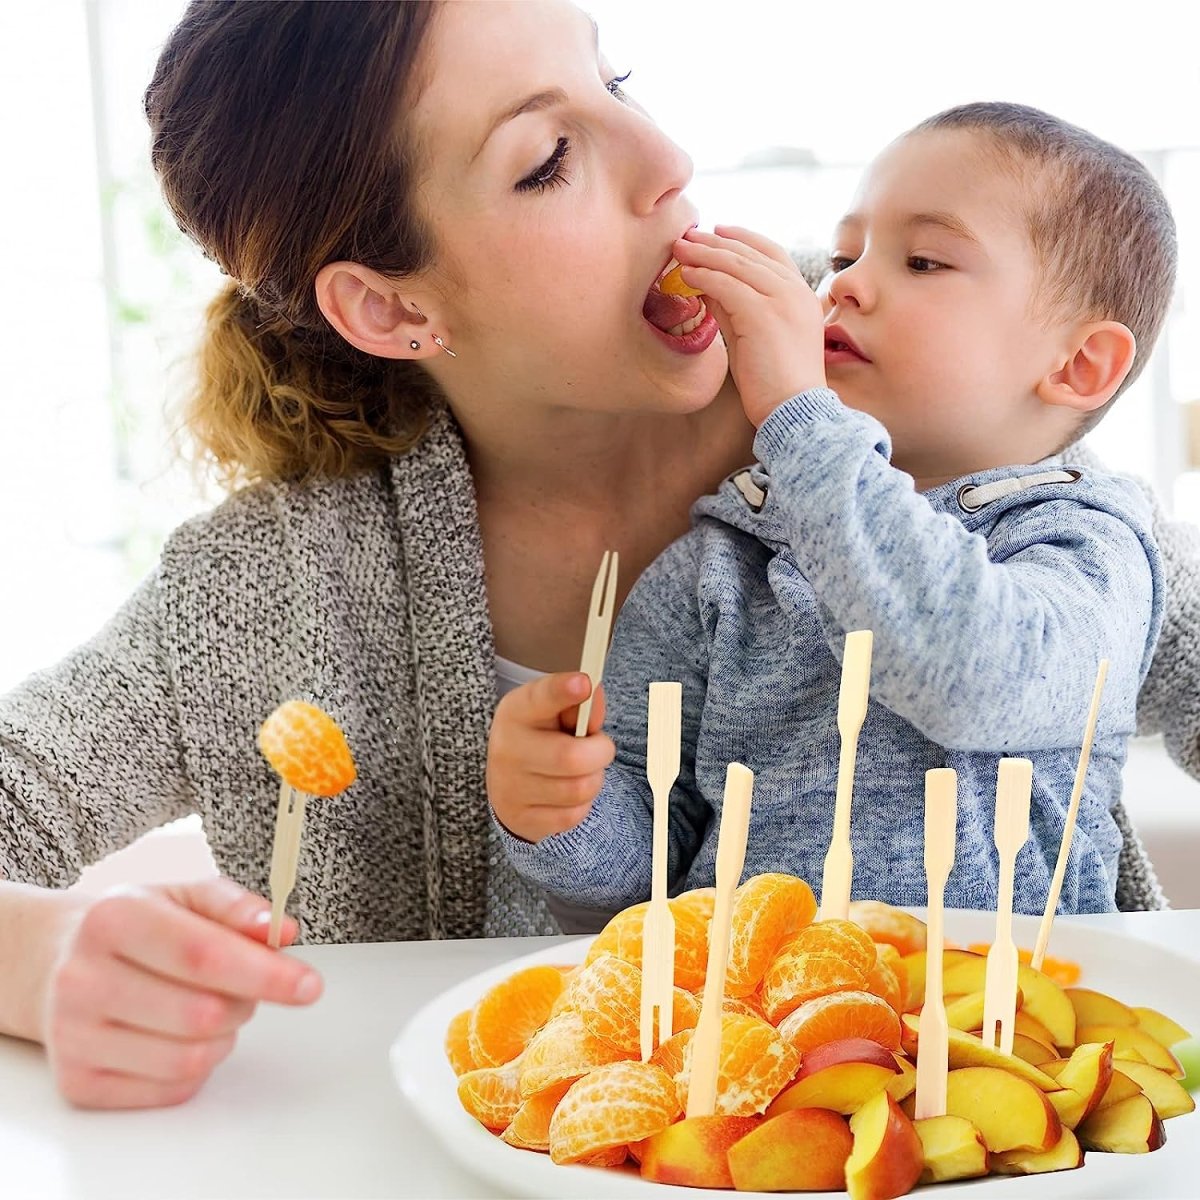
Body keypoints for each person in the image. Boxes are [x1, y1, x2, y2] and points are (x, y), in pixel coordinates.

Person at [0, 2, 1186, 1112]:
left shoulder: (906, 374)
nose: (666, 157)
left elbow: (1070, 629)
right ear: (389, 308)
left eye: (614, 79)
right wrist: (43, 958)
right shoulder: (263, 595)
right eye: (546, 159)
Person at [489, 103, 1177, 918]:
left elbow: (971, 675)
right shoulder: (723, 561)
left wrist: (802, 419)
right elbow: (653, 870)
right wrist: (560, 815)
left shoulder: (1092, 545)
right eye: (848, 253)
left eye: (923, 261)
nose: (843, 281)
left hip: (1012, 1027)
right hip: (761, 1024)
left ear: (1079, 364)